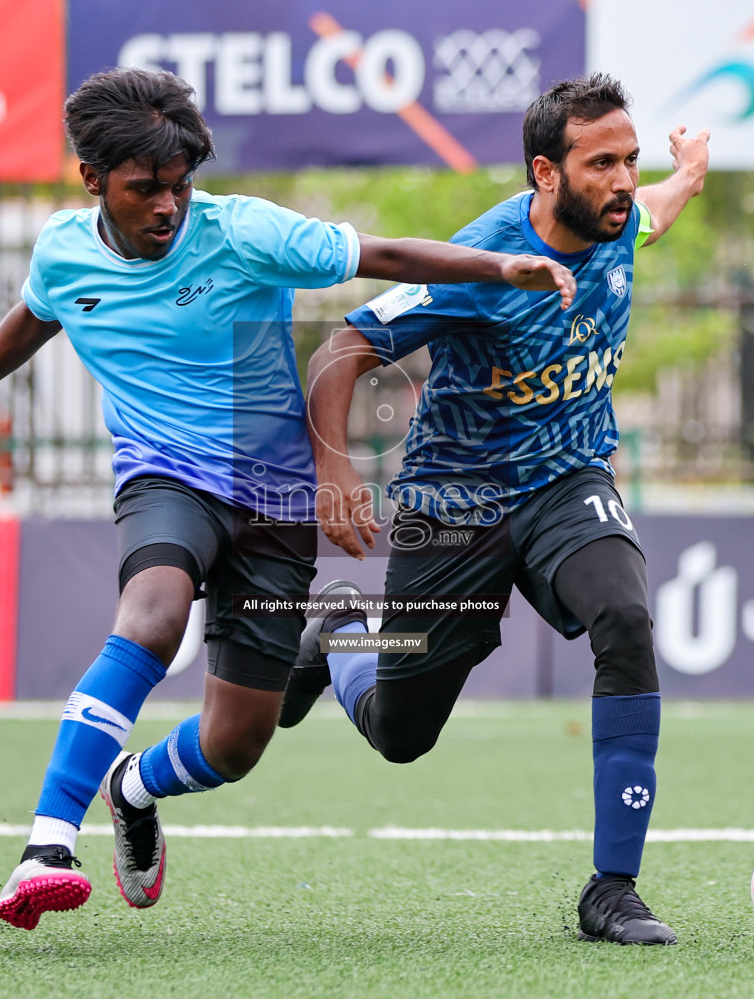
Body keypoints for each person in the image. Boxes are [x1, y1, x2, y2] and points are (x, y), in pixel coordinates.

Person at [0, 67, 576, 931]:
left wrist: (502, 266)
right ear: (92, 180)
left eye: (179, 185)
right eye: (144, 189)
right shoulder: (62, 249)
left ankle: (132, 787)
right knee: (152, 617)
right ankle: (47, 845)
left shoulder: (242, 231)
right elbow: (38, 312)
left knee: (238, 742)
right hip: (166, 477)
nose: (167, 205)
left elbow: (382, 257)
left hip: (273, 500)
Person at [283, 74, 709, 945]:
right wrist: (336, 471)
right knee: (401, 737)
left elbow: (659, 205)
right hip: (456, 505)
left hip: (569, 482)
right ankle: (337, 635)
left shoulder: (621, 220)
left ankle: (612, 889)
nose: (625, 180)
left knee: (626, 618)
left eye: (630, 161)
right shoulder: (479, 261)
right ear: (545, 173)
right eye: (602, 164)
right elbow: (340, 351)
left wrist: (688, 172)